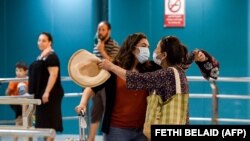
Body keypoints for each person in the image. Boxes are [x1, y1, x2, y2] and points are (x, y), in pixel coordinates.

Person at [76, 33, 207, 141]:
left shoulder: (151, 68)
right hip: (117, 129)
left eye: (151, 47)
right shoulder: (115, 68)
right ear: (133, 48)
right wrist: (82, 103)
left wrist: (194, 56)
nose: (149, 50)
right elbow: (93, 86)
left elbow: (139, 78)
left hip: (142, 131)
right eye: (144, 46)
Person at [85, 21, 119, 141]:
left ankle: (107, 138)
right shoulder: (96, 45)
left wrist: (103, 51)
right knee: (95, 111)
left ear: (109, 31)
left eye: (103, 29)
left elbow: (114, 64)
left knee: (108, 111)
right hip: (96, 82)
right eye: (99, 29)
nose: (100, 32)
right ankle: (91, 138)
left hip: (108, 83)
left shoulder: (114, 45)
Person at [28, 32, 64, 141]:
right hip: (41, 95)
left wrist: (47, 92)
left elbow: (53, 75)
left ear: (50, 42)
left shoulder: (51, 57)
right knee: (43, 125)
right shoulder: (42, 56)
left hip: (49, 96)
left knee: (50, 125)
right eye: (39, 40)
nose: (40, 43)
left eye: (44, 40)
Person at [5, 61, 29, 141]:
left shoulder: (28, 80)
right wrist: (10, 93)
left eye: (20, 70)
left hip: (26, 104)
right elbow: (7, 93)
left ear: (26, 71)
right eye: (16, 70)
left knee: (24, 123)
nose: (18, 73)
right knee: (20, 121)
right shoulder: (14, 80)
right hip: (16, 103)